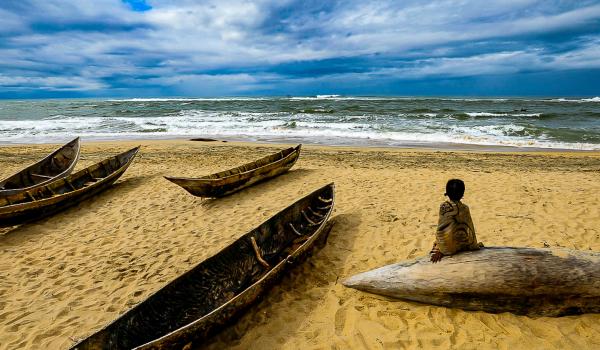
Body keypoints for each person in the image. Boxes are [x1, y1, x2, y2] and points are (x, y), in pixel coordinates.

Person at [430, 179, 483, 263]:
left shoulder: (444, 207)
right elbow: (469, 229)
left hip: (448, 246)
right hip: (464, 245)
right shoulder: (465, 208)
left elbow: (442, 231)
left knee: (436, 244)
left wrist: (440, 249)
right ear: (462, 193)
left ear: (447, 192)